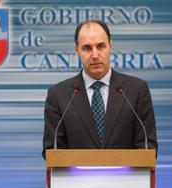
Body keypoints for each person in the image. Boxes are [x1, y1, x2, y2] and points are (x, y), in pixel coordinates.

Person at [43, 20, 157, 155]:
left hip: (125, 176)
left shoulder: (136, 90)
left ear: (110, 45)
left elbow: (146, 147)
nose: (95, 55)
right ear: (77, 50)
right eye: (87, 48)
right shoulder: (58, 95)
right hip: (77, 176)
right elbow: (53, 150)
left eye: (101, 46)